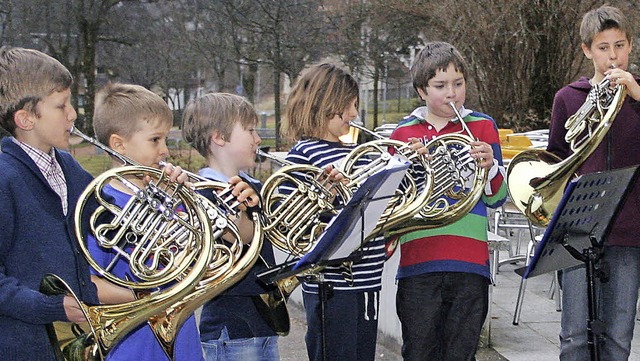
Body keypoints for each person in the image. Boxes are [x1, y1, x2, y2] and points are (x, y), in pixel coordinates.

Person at [282, 63, 425, 361]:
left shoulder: (361, 153)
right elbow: (291, 223)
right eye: (349, 104)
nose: (354, 114)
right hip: (331, 288)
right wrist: (326, 197)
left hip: (370, 282)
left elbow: (403, 196)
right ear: (324, 103)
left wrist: (416, 164)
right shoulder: (303, 154)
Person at [388, 41, 507, 361]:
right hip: (418, 262)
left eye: (458, 83)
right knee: (419, 351)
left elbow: (497, 198)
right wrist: (408, 166)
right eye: (440, 86)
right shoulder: (403, 132)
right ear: (421, 91)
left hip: (470, 263)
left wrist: (491, 166)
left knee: (461, 352)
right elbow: (389, 205)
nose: (451, 93)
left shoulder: (482, 126)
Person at [546, 5, 640, 361]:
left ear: (631, 45)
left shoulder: (638, 94)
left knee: (619, 337)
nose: (613, 55)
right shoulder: (568, 98)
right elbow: (555, 160)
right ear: (587, 50)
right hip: (577, 232)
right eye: (603, 47)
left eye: (620, 45)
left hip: (630, 231)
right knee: (573, 337)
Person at [89, 82, 204, 361]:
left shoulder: (166, 196)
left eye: (165, 139)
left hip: (183, 338)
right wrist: (151, 297)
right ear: (119, 144)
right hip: (132, 344)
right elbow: (90, 282)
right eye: (155, 140)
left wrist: (184, 203)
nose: (165, 150)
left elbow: (196, 258)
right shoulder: (100, 205)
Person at [0, 45, 101, 360]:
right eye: (62, 105)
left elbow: (115, 222)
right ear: (26, 118)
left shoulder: (69, 167)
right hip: (20, 346)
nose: (73, 114)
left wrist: (159, 190)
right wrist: (51, 307)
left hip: (72, 344)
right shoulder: (5, 178)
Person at [181, 92, 280, 361]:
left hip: (263, 321)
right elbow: (241, 236)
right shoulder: (204, 193)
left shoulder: (253, 187)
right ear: (219, 138)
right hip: (230, 327)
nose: (258, 139)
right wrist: (247, 209)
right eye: (249, 130)